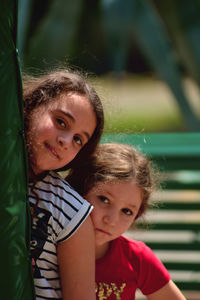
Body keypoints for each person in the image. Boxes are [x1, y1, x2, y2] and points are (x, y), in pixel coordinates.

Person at [66, 143, 186, 300]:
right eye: (104, 199)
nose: (111, 220)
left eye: (127, 211)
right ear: (79, 190)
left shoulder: (137, 258)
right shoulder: (44, 248)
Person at [23, 68, 104, 299]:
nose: (65, 141)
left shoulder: (72, 212)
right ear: (31, 106)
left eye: (78, 139)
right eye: (60, 122)